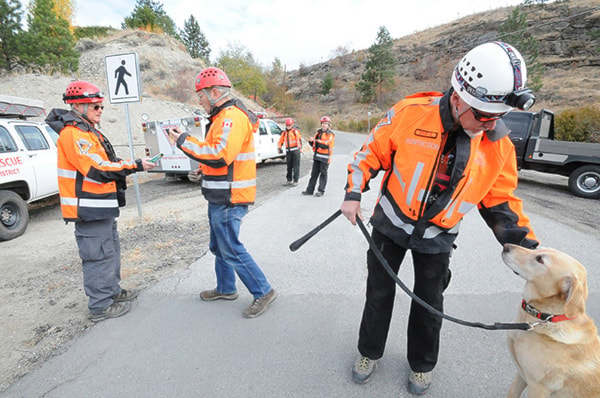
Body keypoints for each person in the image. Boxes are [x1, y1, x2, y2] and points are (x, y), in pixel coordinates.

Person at [340, 42, 539, 395]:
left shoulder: (498, 143)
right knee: (379, 293)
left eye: (497, 117)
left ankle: (421, 366)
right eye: (482, 115)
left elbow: (502, 204)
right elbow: (369, 152)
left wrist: (532, 254)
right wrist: (353, 194)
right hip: (390, 225)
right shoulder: (410, 113)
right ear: (460, 98)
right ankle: (368, 352)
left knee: (430, 303)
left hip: (438, 236)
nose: (488, 125)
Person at [168, 67, 277, 319]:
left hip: (230, 198)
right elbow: (219, 155)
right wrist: (203, 171)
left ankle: (263, 290)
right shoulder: (221, 118)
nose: (200, 101)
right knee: (219, 246)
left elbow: (219, 155)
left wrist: (183, 140)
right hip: (220, 195)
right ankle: (226, 288)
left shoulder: (230, 117)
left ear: (215, 92)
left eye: (201, 96)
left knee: (230, 247)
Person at [51, 80, 157, 322]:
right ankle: (99, 306)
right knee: (97, 255)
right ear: (79, 106)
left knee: (109, 251)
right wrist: (134, 165)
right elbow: (97, 168)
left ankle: (112, 292)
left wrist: (130, 164)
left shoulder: (88, 132)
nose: (100, 110)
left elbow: (105, 161)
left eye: (101, 106)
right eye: (96, 106)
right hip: (88, 208)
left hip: (101, 206)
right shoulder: (73, 134)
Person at [302, 116, 335, 197]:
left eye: (326, 124)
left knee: (323, 174)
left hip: (325, 158)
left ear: (329, 125)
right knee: (314, 174)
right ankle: (310, 190)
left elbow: (326, 144)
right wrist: (311, 141)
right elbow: (314, 145)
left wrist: (316, 141)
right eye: (323, 123)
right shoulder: (318, 133)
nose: (324, 125)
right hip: (317, 157)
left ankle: (321, 191)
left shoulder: (330, 134)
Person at [278, 117, 302, 186]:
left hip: (295, 151)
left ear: (292, 125)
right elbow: (281, 141)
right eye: (287, 125)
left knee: (296, 166)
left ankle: (296, 180)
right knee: (289, 166)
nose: (288, 127)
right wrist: (279, 148)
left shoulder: (295, 132)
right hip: (288, 151)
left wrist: (300, 148)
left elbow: (298, 140)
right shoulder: (284, 133)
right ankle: (289, 180)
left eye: (289, 125)